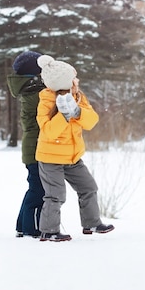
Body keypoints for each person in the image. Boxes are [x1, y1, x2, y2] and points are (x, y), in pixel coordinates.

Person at [35, 54, 114, 242]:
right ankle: (49, 230)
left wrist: (77, 111)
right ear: (65, 81)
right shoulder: (46, 99)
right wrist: (63, 115)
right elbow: (48, 131)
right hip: (51, 158)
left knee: (88, 187)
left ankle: (91, 223)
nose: (76, 80)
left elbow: (92, 121)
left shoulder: (78, 96)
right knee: (56, 195)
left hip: (73, 157)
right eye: (73, 77)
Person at [7, 51, 46, 238]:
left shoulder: (31, 90)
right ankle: (30, 228)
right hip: (36, 149)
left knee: (35, 188)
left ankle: (22, 226)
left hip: (34, 148)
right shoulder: (35, 94)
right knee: (38, 190)